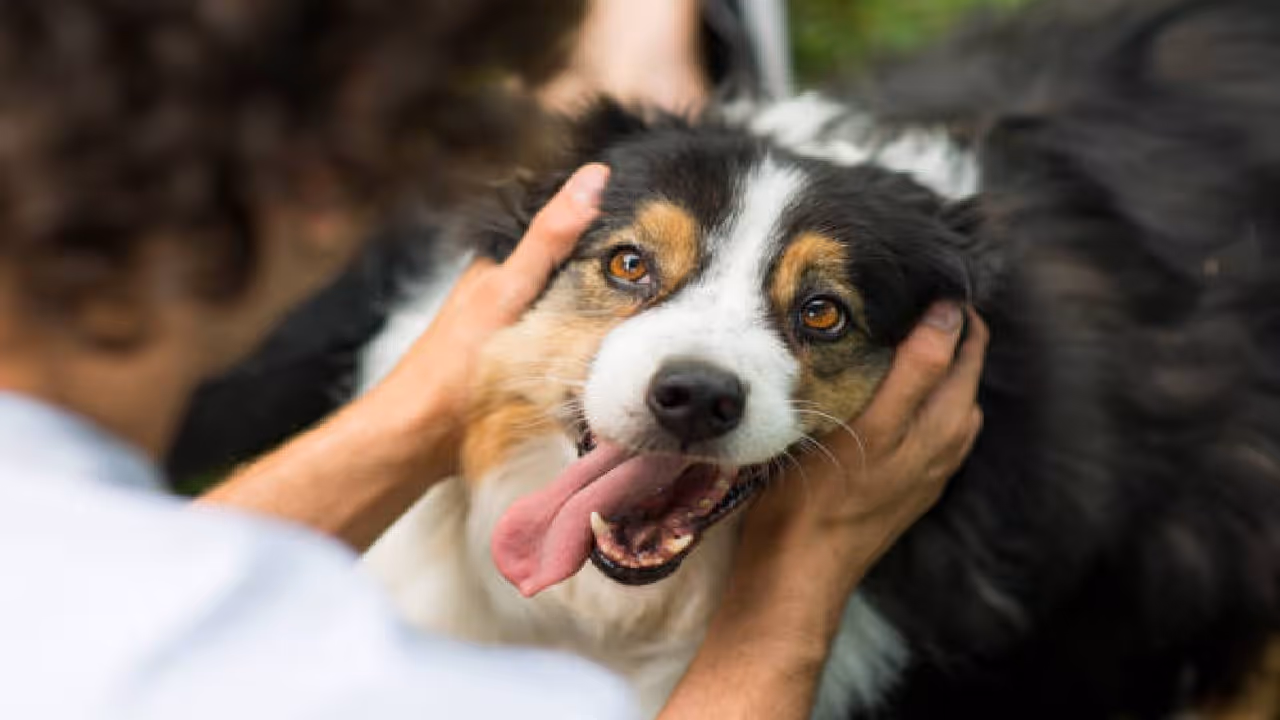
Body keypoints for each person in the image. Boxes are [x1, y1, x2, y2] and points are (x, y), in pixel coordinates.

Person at [0, 1, 987, 719]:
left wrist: (417, 417)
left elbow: (133, 605)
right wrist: (791, 595)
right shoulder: (366, 687)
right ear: (317, 193)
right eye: (631, 264)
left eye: (818, 314)